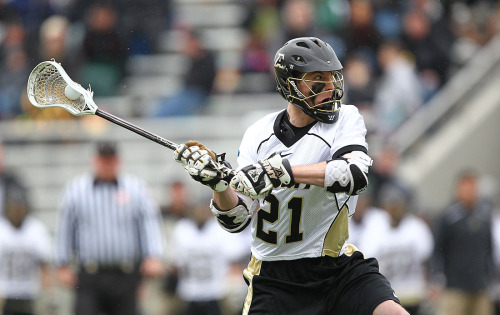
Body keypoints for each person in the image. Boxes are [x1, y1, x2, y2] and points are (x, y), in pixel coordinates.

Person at [173, 37, 409, 314]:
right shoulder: (258, 135)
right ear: (290, 83)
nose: (331, 87)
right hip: (275, 279)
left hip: (335, 267)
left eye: (333, 77)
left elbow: (354, 174)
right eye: (318, 79)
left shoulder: (346, 118)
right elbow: (236, 221)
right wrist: (218, 185)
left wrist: (281, 173)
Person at [54, 140, 165, 315]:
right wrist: (63, 263)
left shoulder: (135, 188)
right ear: (94, 161)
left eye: (110, 160)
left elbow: (149, 221)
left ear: (118, 161)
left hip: (126, 274)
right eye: (103, 160)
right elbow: (66, 227)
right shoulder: (76, 190)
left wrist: (153, 255)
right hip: (90, 275)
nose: (106, 165)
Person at [360, 183, 434, 315]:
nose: (394, 208)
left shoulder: (417, 227)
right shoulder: (374, 228)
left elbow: (427, 260)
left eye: (397, 203)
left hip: (413, 292)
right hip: (386, 294)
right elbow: (367, 262)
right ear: (384, 206)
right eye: (390, 203)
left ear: (405, 205)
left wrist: (431, 285)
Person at [430, 169, 495, 315]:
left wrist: (492, 278)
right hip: (454, 287)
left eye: (473, 187)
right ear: (458, 190)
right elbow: (437, 249)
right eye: (466, 188)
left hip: (480, 286)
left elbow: (489, 250)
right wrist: (436, 277)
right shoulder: (448, 217)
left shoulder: (484, 217)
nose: (470, 192)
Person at [0, 161, 52, 315]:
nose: (17, 211)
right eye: (13, 207)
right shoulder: (2, 229)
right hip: (5, 295)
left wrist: (49, 294)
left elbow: (45, 267)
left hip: (29, 295)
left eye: (19, 206)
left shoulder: (35, 230)